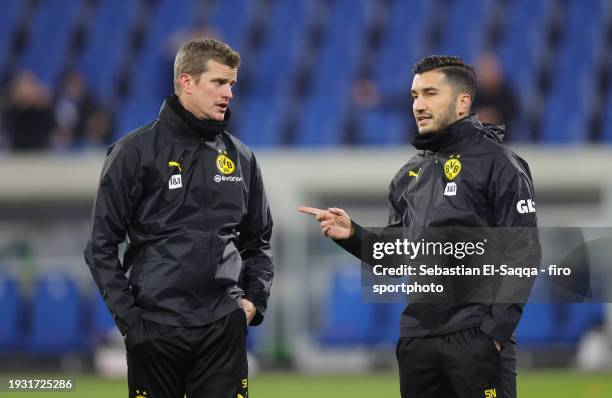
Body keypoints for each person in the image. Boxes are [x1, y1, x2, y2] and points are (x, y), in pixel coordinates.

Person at [300, 55, 540, 398]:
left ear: (463, 102)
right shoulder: (408, 175)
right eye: (414, 96)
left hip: (476, 337)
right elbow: (396, 257)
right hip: (417, 340)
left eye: (430, 93)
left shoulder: (500, 164)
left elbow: (524, 254)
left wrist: (495, 334)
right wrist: (353, 235)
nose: (419, 105)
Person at [84, 38, 274, 398]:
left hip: (222, 329)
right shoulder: (132, 153)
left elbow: (258, 244)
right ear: (186, 82)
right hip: (155, 330)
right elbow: (99, 247)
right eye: (219, 83)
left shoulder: (243, 159)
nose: (229, 93)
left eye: (232, 84)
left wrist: (251, 303)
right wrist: (132, 323)